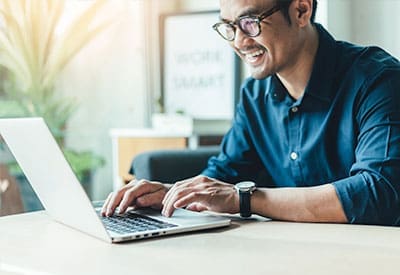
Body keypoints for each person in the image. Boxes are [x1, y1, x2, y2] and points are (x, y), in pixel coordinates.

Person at [102, 0, 400, 225]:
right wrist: (170, 194)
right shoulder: (254, 96)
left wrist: (245, 199)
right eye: (229, 27)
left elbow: (379, 193)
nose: (238, 42)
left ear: (301, 10)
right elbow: (224, 174)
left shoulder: (378, 80)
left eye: (250, 22)